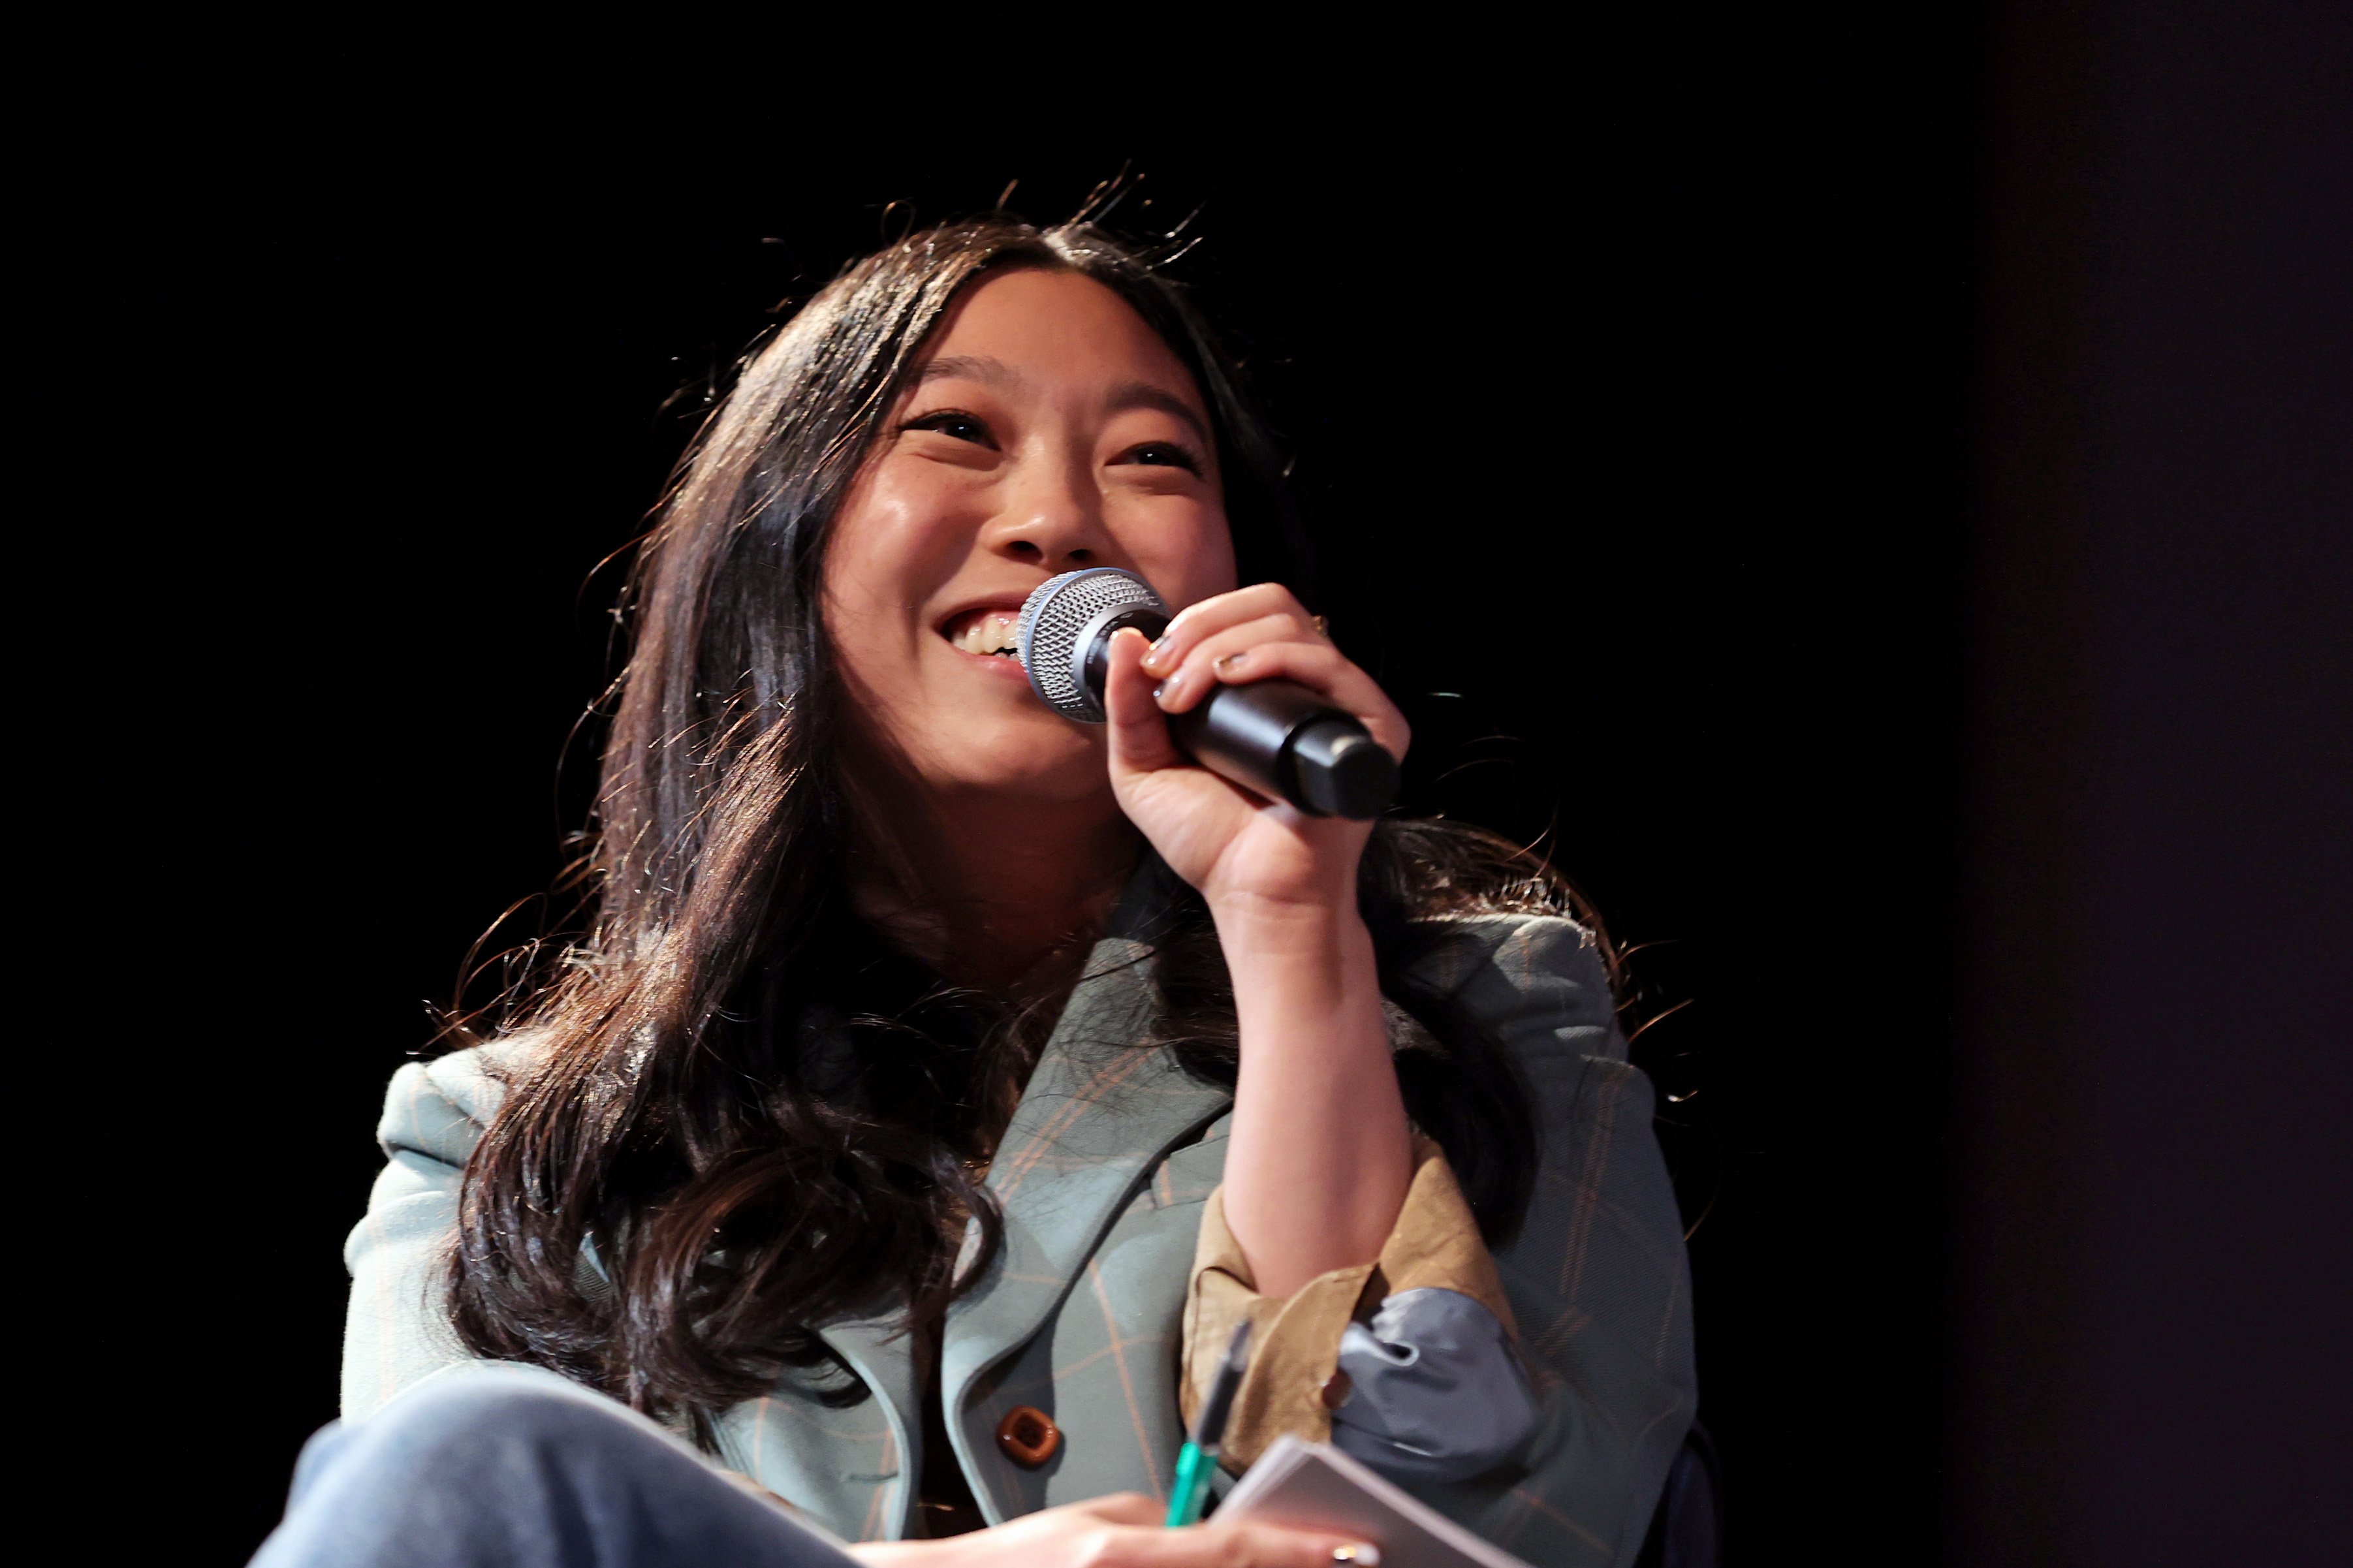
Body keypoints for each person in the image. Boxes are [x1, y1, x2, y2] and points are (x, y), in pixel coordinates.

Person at [257, 215, 1696, 1568]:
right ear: (779, 543)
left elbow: (1487, 1530)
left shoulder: (1485, 1016)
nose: (1059, 519)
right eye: (955, 429)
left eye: (1152, 461)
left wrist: (1291, 933)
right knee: (473, 1458)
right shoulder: (506, 1139)